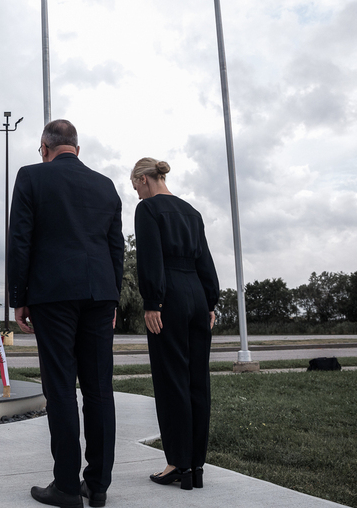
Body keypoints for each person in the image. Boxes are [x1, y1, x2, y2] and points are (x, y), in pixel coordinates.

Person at [8, 119, 124, 508]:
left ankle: (67, 487)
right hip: (99, 295)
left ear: (45, 147)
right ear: (77, 147)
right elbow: (115, 249)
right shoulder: (105, 186)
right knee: (98, 389)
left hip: (53, 294)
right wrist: (113, 299)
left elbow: (20, 240)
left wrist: (18, 297)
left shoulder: (31, 178)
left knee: (60, 388)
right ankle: (99, 485)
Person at [131, 157, 219, 491]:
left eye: (135, 186)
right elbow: (205, 260)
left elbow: (150, 258)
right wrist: (210, 302)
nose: (137, 194)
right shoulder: (191, 212)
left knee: (172, 381)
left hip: (169, 297)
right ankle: (196, 466)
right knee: (198, 380)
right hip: (197, 295)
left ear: (144, 180)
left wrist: (152, 302)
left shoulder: (148, 210)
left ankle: (177, 463)